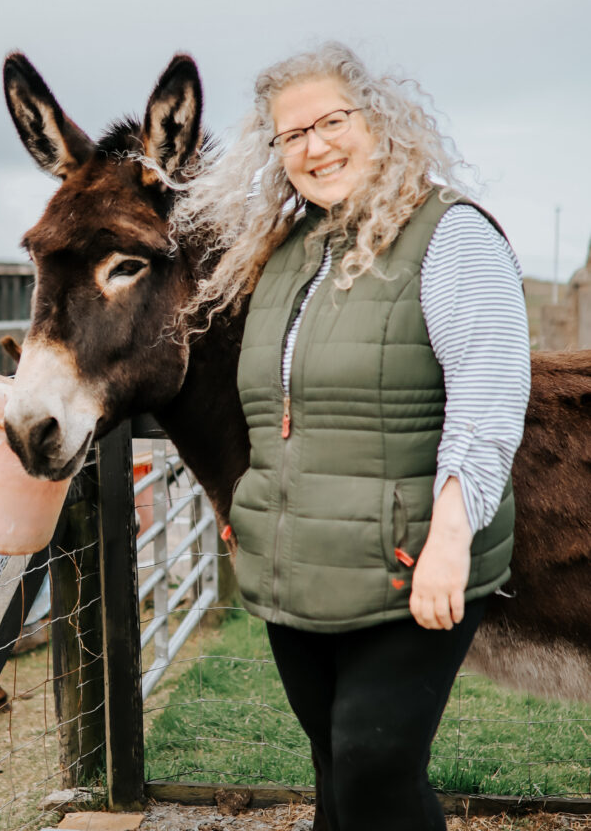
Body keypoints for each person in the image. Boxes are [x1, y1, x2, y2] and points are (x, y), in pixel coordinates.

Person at [174, 42, 531, 831]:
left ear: (380, 122)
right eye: (291, 135)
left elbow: (489, 396)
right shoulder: (280, 258)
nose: (315, 146)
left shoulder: (450, 235)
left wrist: (449, 537)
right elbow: (266, 408)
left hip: (410, 558)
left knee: (374, 765)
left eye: (331, 121)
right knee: (335, 768)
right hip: (297, 564)